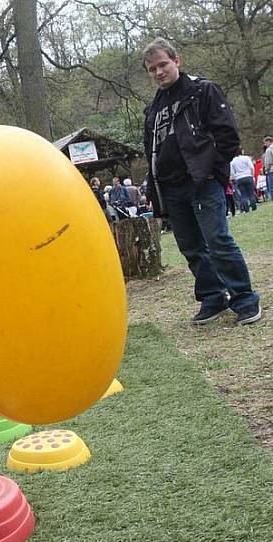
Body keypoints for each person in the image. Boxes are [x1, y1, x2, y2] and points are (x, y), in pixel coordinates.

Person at [142, 38, 261, 326]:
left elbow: (228, 136)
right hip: (169, 187)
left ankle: (244, 299)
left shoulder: (201, 90)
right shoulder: (153, 109)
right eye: (151, 69)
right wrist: (154, 188)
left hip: (202, 181)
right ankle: (212, 297)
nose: (158, 72)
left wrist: (212, 171)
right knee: (191, 247)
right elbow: (153, 151)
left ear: (177, 61)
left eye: (163, 65)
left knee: (217, 239)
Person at [229, 148, 257, 212]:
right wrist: (252, 174)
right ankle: (254, 207)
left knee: (243, 195)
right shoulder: (246, 158)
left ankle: (246, 209)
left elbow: (232, 172)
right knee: (251, 193)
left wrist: (235, 177)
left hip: (239, 178)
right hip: (248, 176)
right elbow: (251, 167)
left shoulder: (233, 161)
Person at [263, 136, 273, 202]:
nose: (264, 144)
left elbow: (268, 162)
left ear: (269, 141)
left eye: (265, 143)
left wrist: (266, 169)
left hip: (271, 170)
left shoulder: (269, 150)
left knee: (271, 187)